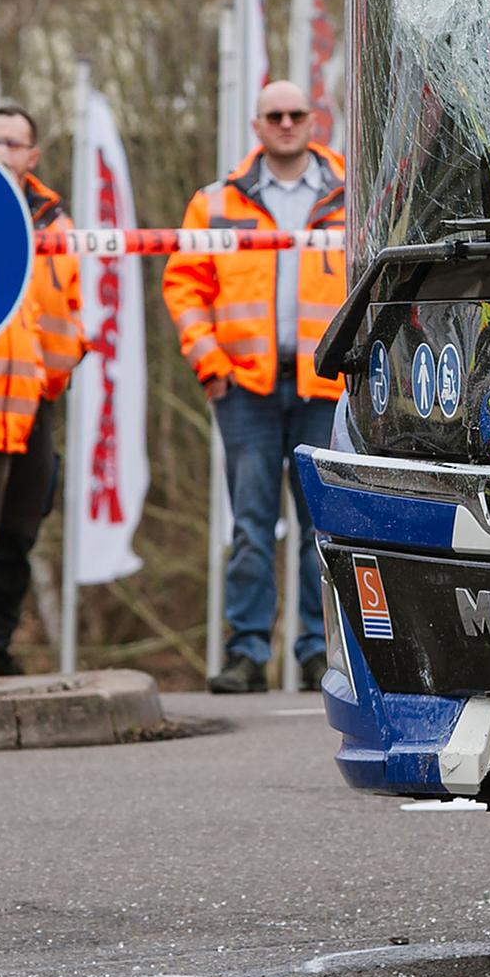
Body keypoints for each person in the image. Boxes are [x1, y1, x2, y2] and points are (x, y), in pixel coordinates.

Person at [162, 79, 347, 693]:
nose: (288, 123)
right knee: (250, 524)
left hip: (327, 383)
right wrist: (209, 362)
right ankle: (246, 653)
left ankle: (320, 650)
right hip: (243, 386)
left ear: (313, 121)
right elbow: (184, 285)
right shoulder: (215, 201)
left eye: (297, 113)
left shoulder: (354, 192)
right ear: (257, 125)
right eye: (276, 115)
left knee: (322, 527)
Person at [0, 104, 84, 678]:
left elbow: (68, 310)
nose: (1, 153)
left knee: (21, 528)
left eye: (12, 144)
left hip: (35, 399)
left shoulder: (54, 222)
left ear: (32, 156)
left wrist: (54, 378)